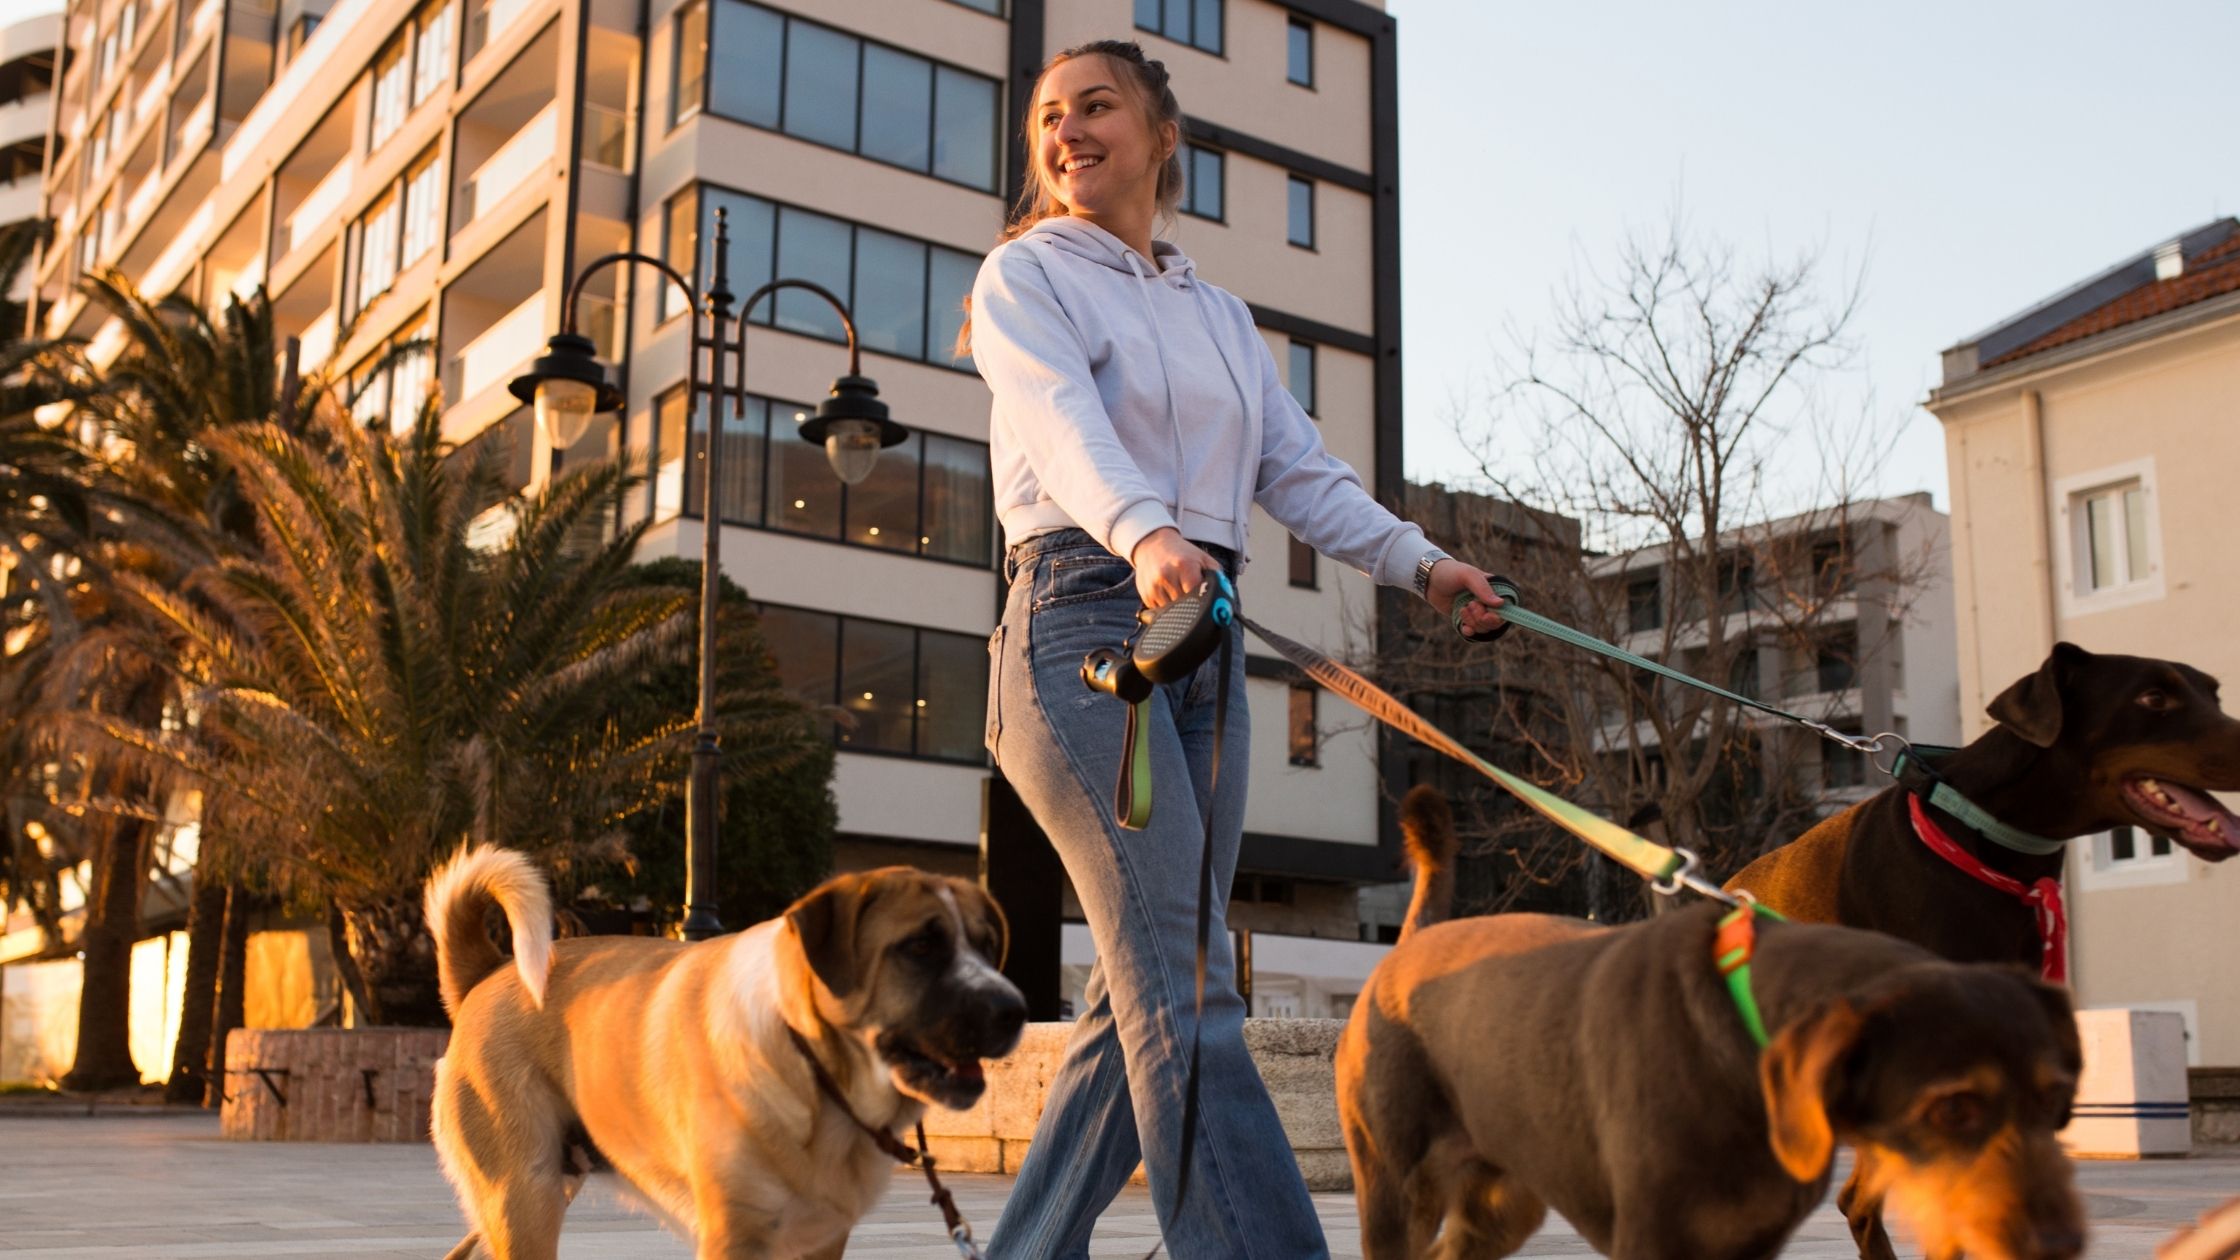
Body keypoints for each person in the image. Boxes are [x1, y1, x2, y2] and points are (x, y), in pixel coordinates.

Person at [961, 38, 1507, 1259]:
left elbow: (1299, 474)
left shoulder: (1217, 314)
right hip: (1081, 632)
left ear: (1161, 134)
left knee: (1146, 993)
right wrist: (1145, 531)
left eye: (1095, 107)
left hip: (1201, 637)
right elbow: (1057, 424)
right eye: (1048, 118)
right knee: (1189, 986)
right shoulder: (1024, 278)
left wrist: (1424, 566)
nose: (1065, 133)